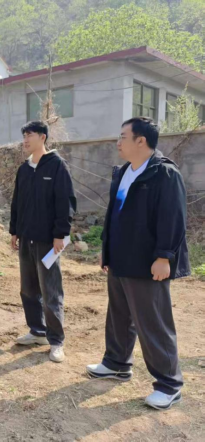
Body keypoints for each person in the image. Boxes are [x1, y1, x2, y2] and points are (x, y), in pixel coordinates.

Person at [87, 117, 190, 410]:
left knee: (153, 322)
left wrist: (164, 257)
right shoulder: (123, 172)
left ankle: (169, 385)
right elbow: (114, 215)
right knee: (118, 315)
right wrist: (106, 250)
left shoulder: (164, 174)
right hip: (121, 258)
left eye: (123, 136)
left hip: (147, 262)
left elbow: (173, 218)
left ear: (141, 140)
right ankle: (117, 363)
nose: (118, 142)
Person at [9, 121, 76, 363]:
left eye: (30, 135)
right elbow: (17, 202)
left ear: (43, 137)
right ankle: (37, 331)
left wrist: (61, 234)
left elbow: (65, 201)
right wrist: (14, 231)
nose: (25, 140)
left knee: (50, 290)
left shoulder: (57, 165)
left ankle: (56, 340)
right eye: (24, 135)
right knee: (28, 288)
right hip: (26, 238)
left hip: (48, 241)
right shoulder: (24, 169)